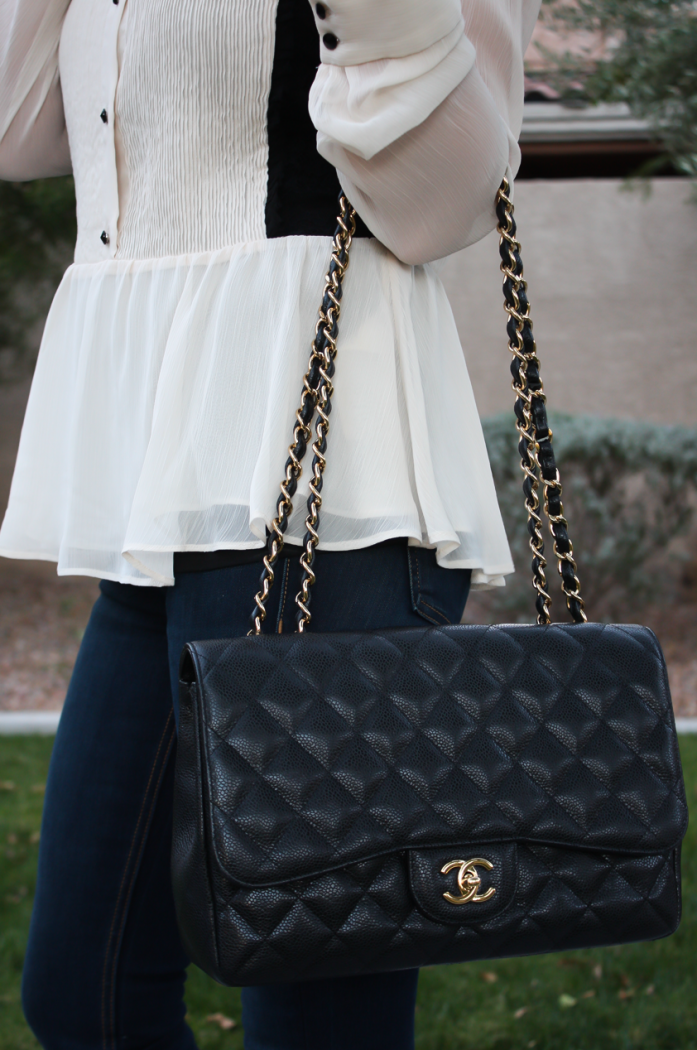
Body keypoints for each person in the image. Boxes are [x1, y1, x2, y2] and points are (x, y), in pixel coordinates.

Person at [0, 0, 540, 1047]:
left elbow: (450, 201)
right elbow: (20, 125)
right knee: (83, 992)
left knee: (315, 1010)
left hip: (328, 490)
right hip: (162, 483)